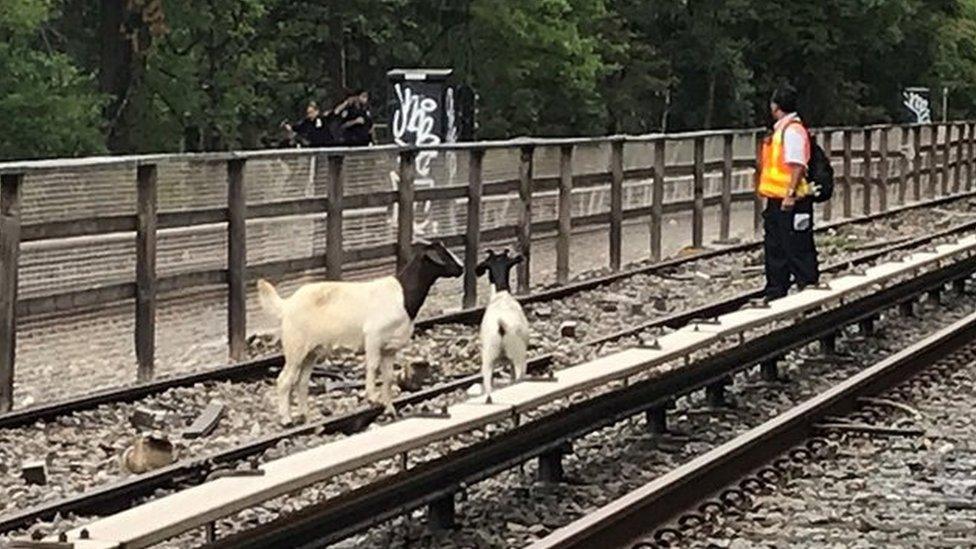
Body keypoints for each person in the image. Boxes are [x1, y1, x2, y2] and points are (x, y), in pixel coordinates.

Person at [757, 84, 819, 301]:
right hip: (778, 199)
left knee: (797, 247)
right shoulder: (782, 130)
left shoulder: (791, 130)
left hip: (791, 200)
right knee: (777, 247)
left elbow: (797, 165)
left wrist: (790, 194)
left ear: (775, 106)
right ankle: (776, 291)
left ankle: (807, 289)